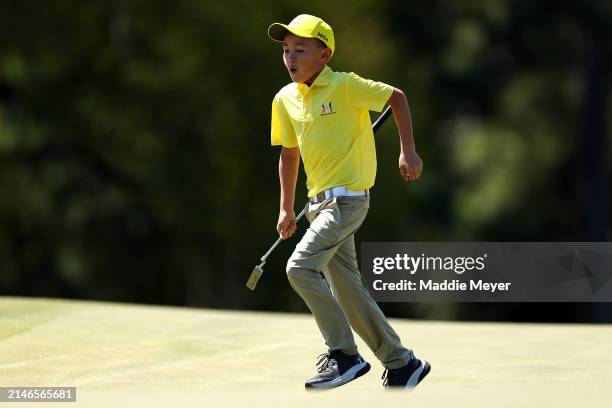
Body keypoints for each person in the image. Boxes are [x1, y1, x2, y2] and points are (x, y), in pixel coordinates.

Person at [267, 14, 430, 390]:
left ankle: (344, 355)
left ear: (324, 54)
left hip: (348, 202)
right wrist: (285, 207)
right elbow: (288, 154)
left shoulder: (345, 86)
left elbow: (396, 98)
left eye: (300, 50)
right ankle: (402, 363)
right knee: (348, 291)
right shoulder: (285, 99)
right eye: (287, 51)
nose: (291, 58)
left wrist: (408, 152)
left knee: (300, 268)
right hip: (317, 206)